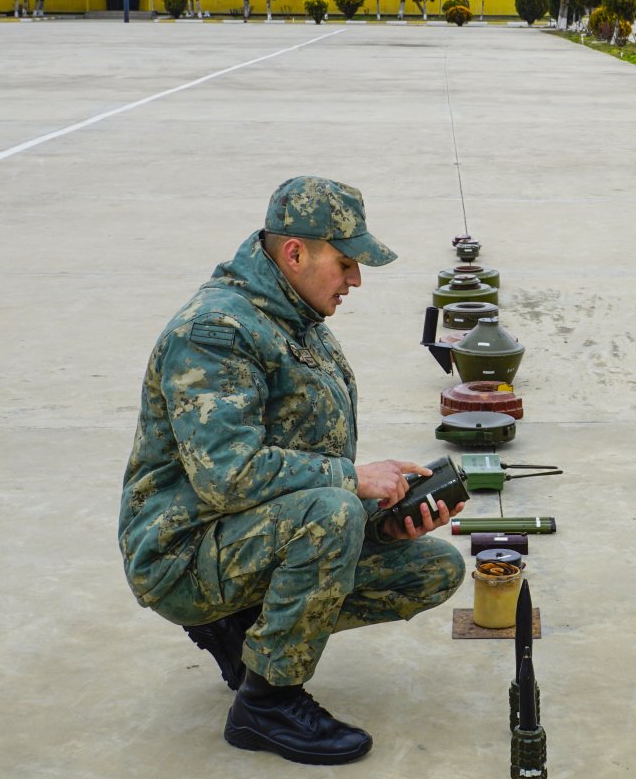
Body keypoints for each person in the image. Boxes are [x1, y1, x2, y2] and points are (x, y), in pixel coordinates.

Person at [118, 176, 465, 765]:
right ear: (295, 252)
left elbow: (300, 469)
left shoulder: (294, 315)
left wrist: (382, 520)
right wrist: (352, 483)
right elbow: (227, 475)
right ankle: (267, 702)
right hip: (181, 552)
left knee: (432, 569)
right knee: (330, 511)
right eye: (346, 262)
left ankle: (245, 633)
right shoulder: (215, 332)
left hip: (252, 534)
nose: (355, 280)